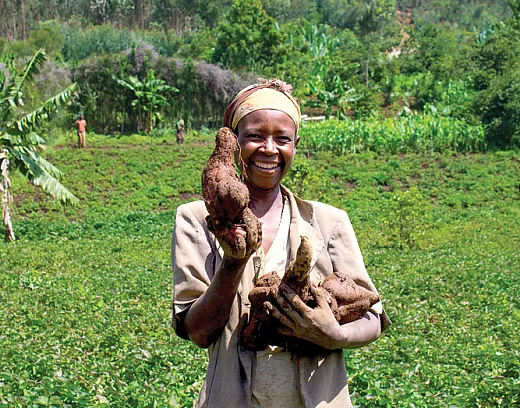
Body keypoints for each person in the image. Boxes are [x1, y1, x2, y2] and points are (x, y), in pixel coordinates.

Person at [171, 79, 390, 407]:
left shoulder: (329, 222)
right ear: (234, 142)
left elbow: (372, 315)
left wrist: (334, 335)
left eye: (282, 139)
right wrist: (233, 263)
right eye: (255, 136)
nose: (269, 149)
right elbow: (198, 332)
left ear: (295, 145)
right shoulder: (200, 220)